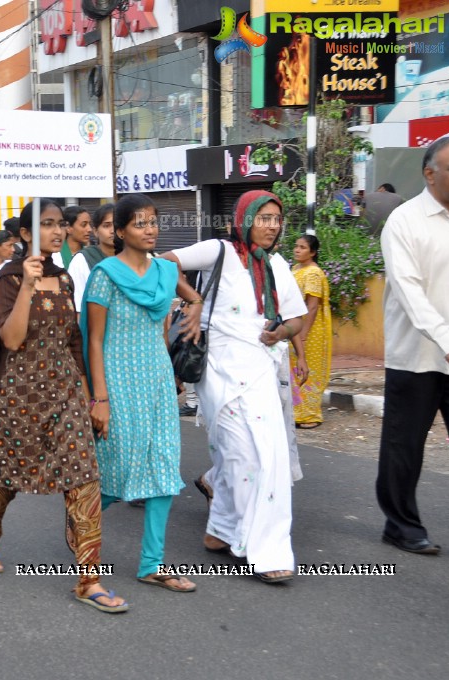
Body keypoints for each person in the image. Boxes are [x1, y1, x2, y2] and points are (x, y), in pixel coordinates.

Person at [0, 199, 127, 614]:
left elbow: (74, 343)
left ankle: (89, 578)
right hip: (21, 397)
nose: (56, 231)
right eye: (47, 225)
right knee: (7, 476)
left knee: (84, 477)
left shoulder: (66, 279)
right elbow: (12, 340)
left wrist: (93, 398)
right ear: (25, 235)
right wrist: (29, 287)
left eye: (59, 224)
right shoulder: (10, 278)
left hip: (66, 393)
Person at [161, 190, 306, 584]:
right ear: (245, 219)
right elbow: (164, 262)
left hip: (260, 369)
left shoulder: (277, 265)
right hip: (220, 371)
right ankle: (260, 549)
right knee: (241, 455)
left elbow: (296, 318)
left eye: (277, 219)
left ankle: (222, 531)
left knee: (270, 459)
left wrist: (282, 334)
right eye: (264, 218)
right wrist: (191, 301)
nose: (272, 226)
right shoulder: (218, 251)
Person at [81, 194, 195, 593]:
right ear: (121, 231)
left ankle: (152, 563)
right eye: (140, 223)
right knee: (118, 468)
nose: (150, 230)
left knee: (163, 466)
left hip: (158, 380)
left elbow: (193, 298)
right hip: (117, 380)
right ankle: (82, 522)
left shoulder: (165, 270)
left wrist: (194, 310)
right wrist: (100, 399)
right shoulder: (105, 275)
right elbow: (94, 341)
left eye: (153, 222)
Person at [375, 137, 449, 556]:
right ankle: (401, 525)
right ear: (429, 174)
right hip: (416, 357)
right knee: (404, 448)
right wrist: (447, 341)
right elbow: (409, 292)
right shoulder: (403, 222)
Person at [290, 234, 331, 429]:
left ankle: (309, 415)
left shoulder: (313, 274)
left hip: (310, 330)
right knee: (293, 369)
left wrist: (304, 334)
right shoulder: (295, 269)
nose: (297, 250)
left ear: (312, 252)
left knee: (309, 370)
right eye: (296, 246)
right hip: (293, 327)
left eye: (302, 247)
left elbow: (312, 307)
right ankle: (295, 412)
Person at [67, 203, 116, 314]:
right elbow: (78, 308)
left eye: (117, 225)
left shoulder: (134, 258)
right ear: (95, 231)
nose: (113, 230)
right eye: (107, 225)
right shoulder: (83, 260)